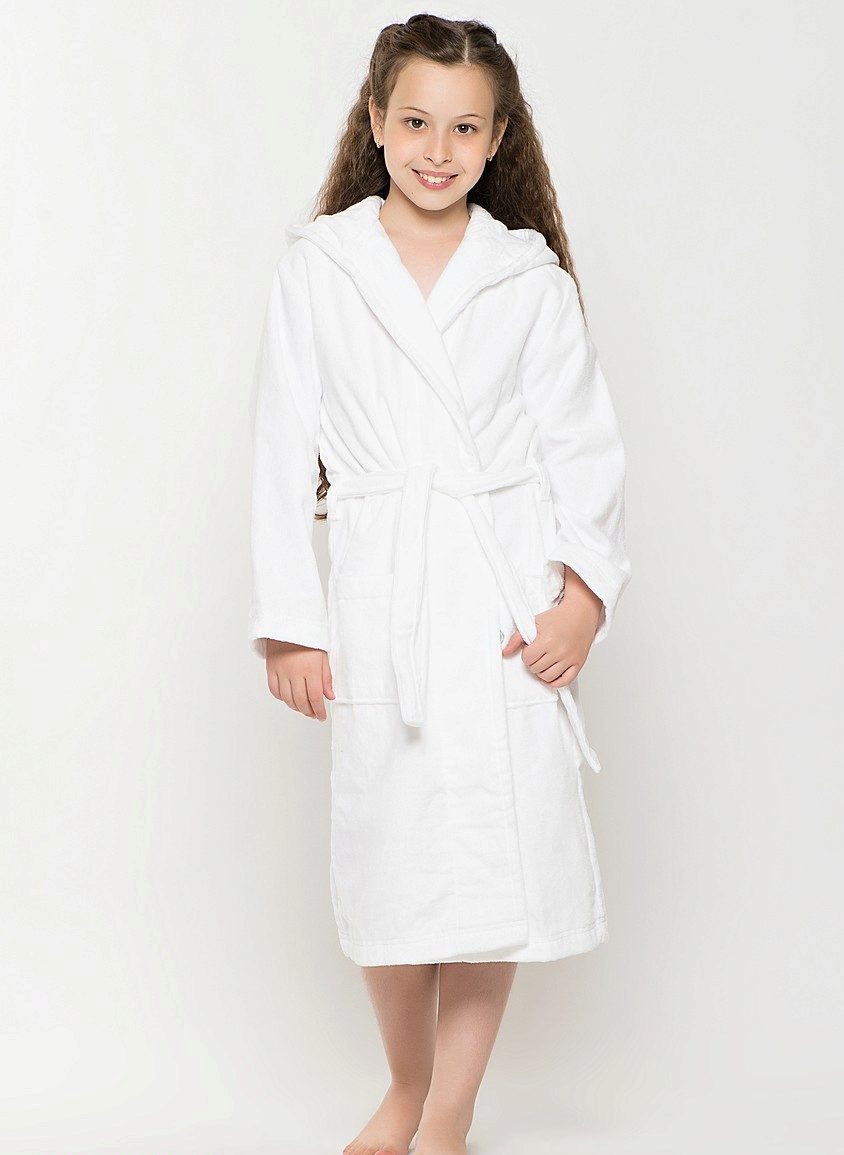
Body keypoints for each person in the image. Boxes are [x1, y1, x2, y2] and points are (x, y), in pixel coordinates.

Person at [248, 14, 631, 1155]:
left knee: (493, 862)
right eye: (415, 121)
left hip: (504, 599)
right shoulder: (321, 267)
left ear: (498, 138)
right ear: (375, 122)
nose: (437, 149)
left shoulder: (526, 277)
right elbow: (279, 450)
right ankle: (407, 1085)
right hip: (383, 602)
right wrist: (291, 625)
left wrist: (582, 597)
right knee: (392, 859)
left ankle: (449, 1113)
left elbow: (585, 448)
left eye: (465, 128)